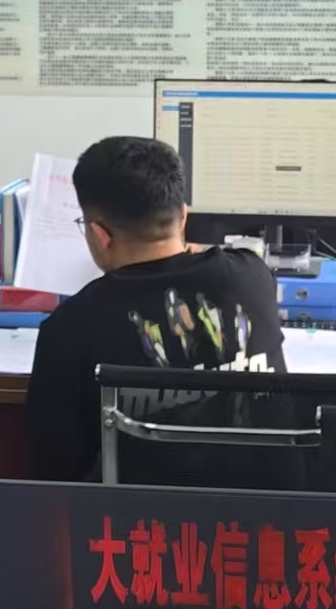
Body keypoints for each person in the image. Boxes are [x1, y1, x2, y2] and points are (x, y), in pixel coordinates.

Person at [26, 136, 287, 481]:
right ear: (183, 217)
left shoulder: (70, 327)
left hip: (138, 515)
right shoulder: (252, 275)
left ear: (100, 235)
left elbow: (52, 471)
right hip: (271, 509)